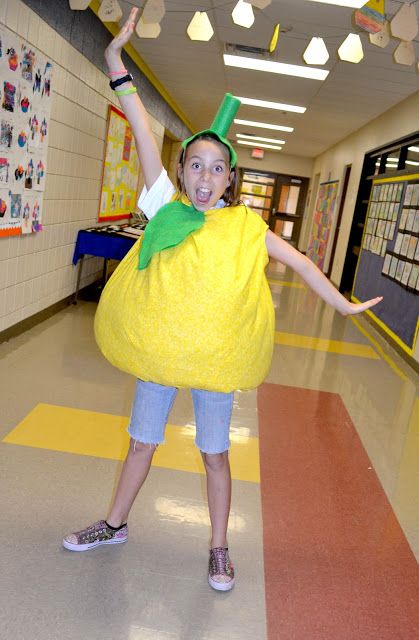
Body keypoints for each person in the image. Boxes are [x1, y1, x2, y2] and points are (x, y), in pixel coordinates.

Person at [63, 7, 383, 592]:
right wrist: (115, 61)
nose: (206, 177)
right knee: (141, 444)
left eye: (217, 168)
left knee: (215, 456)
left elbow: (303, 263)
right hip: (160, 355)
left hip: (216, 362)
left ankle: (218, 547)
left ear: (230, 179)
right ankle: (114, 525)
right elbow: (137, 121)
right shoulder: (164, 206)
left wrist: (340, 305)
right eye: (196, 165)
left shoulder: (245, 226)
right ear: (181, 170)